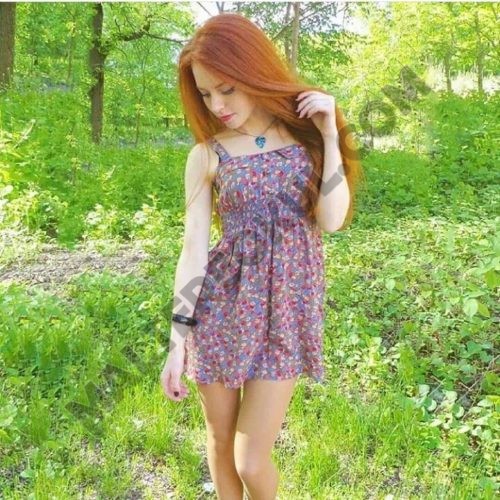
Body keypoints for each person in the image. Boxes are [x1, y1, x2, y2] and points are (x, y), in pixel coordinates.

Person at [160, 12, 363, 500]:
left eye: (227, 89)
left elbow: (332, 219)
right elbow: (193, 249)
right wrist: (177, 340)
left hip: (285, 313)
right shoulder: (207, 155)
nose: (217, 105)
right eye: (206, 94)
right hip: (219, 311)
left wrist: (331, 135)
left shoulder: (306, 136)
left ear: (252, 71)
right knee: (219, 440)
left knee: (251, 460)